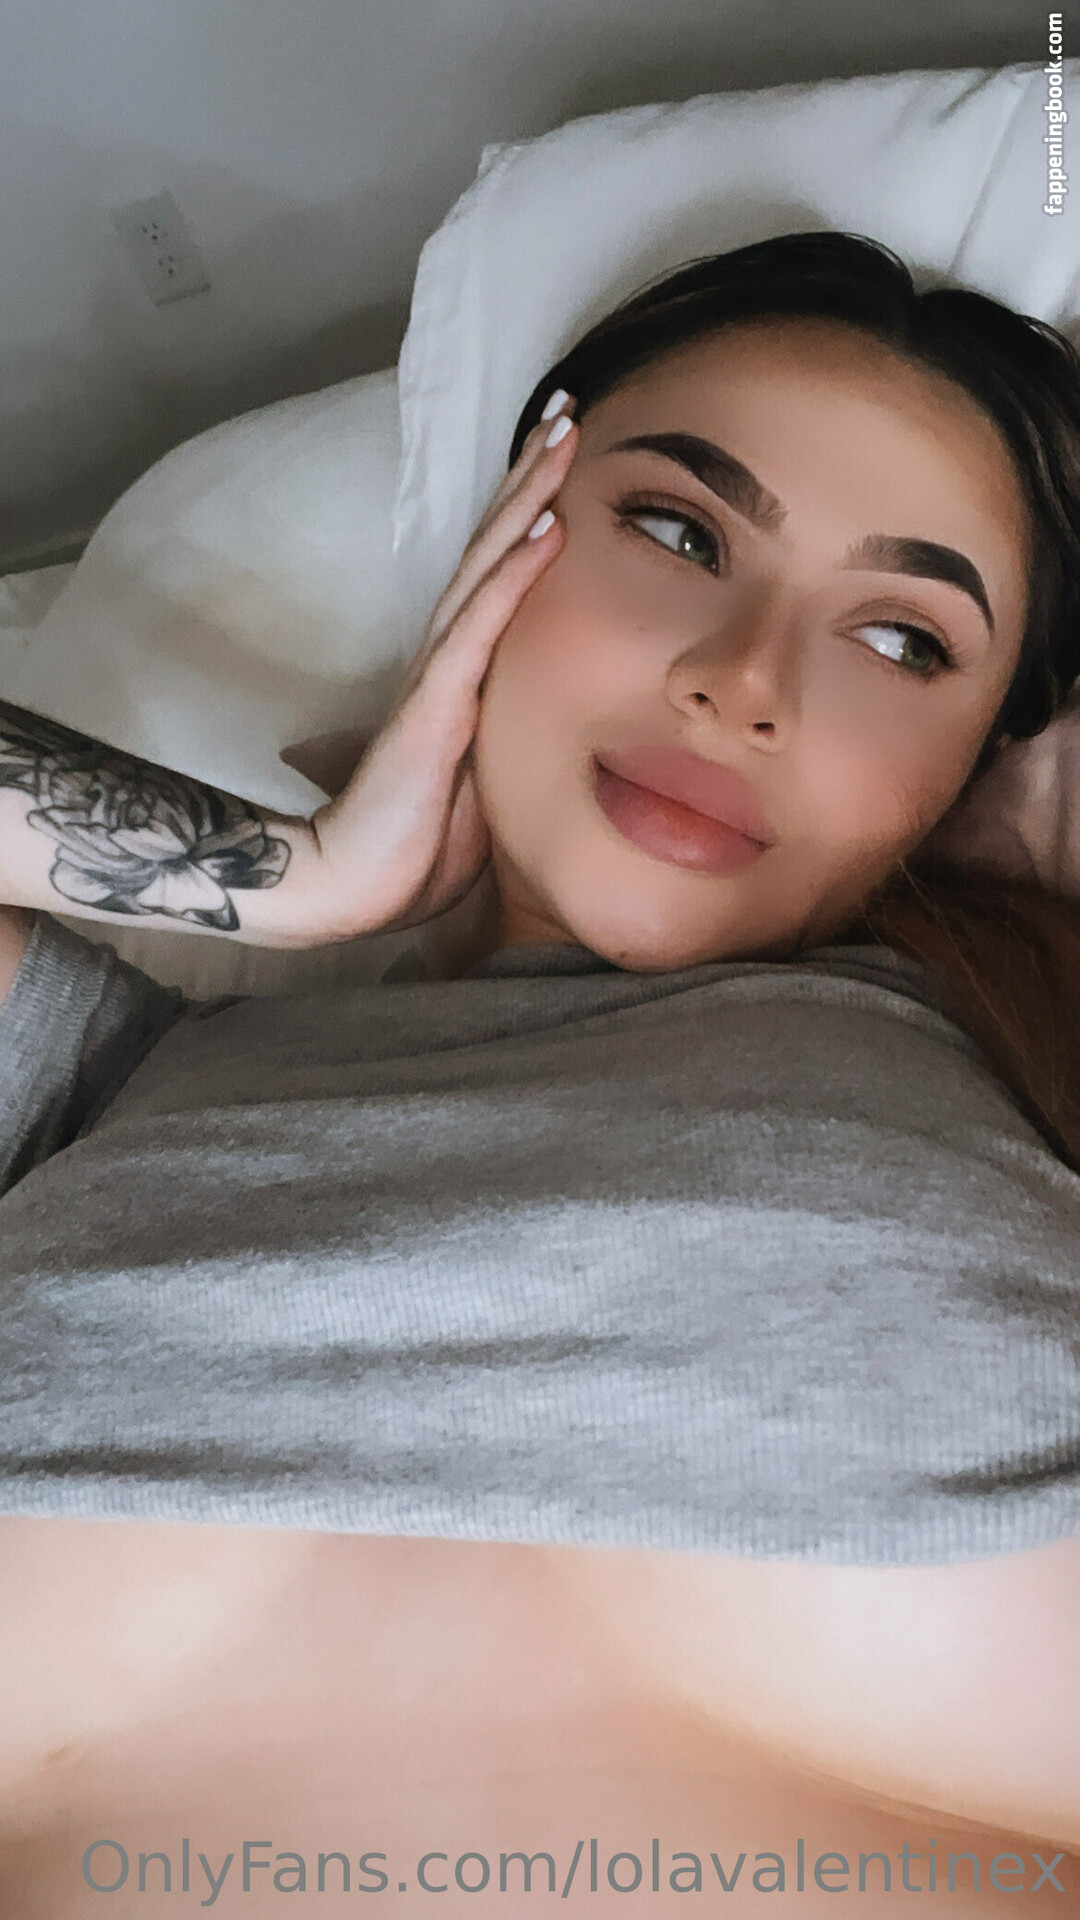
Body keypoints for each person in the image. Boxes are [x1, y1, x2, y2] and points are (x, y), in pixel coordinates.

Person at [1, 232, 1079, 1906]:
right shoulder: (132, 1085)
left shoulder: (1027, 1056)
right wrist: (292, 876)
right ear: (504, 547)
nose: (744, 683)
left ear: (967, 773)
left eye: (905, 642)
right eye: (680, 530)